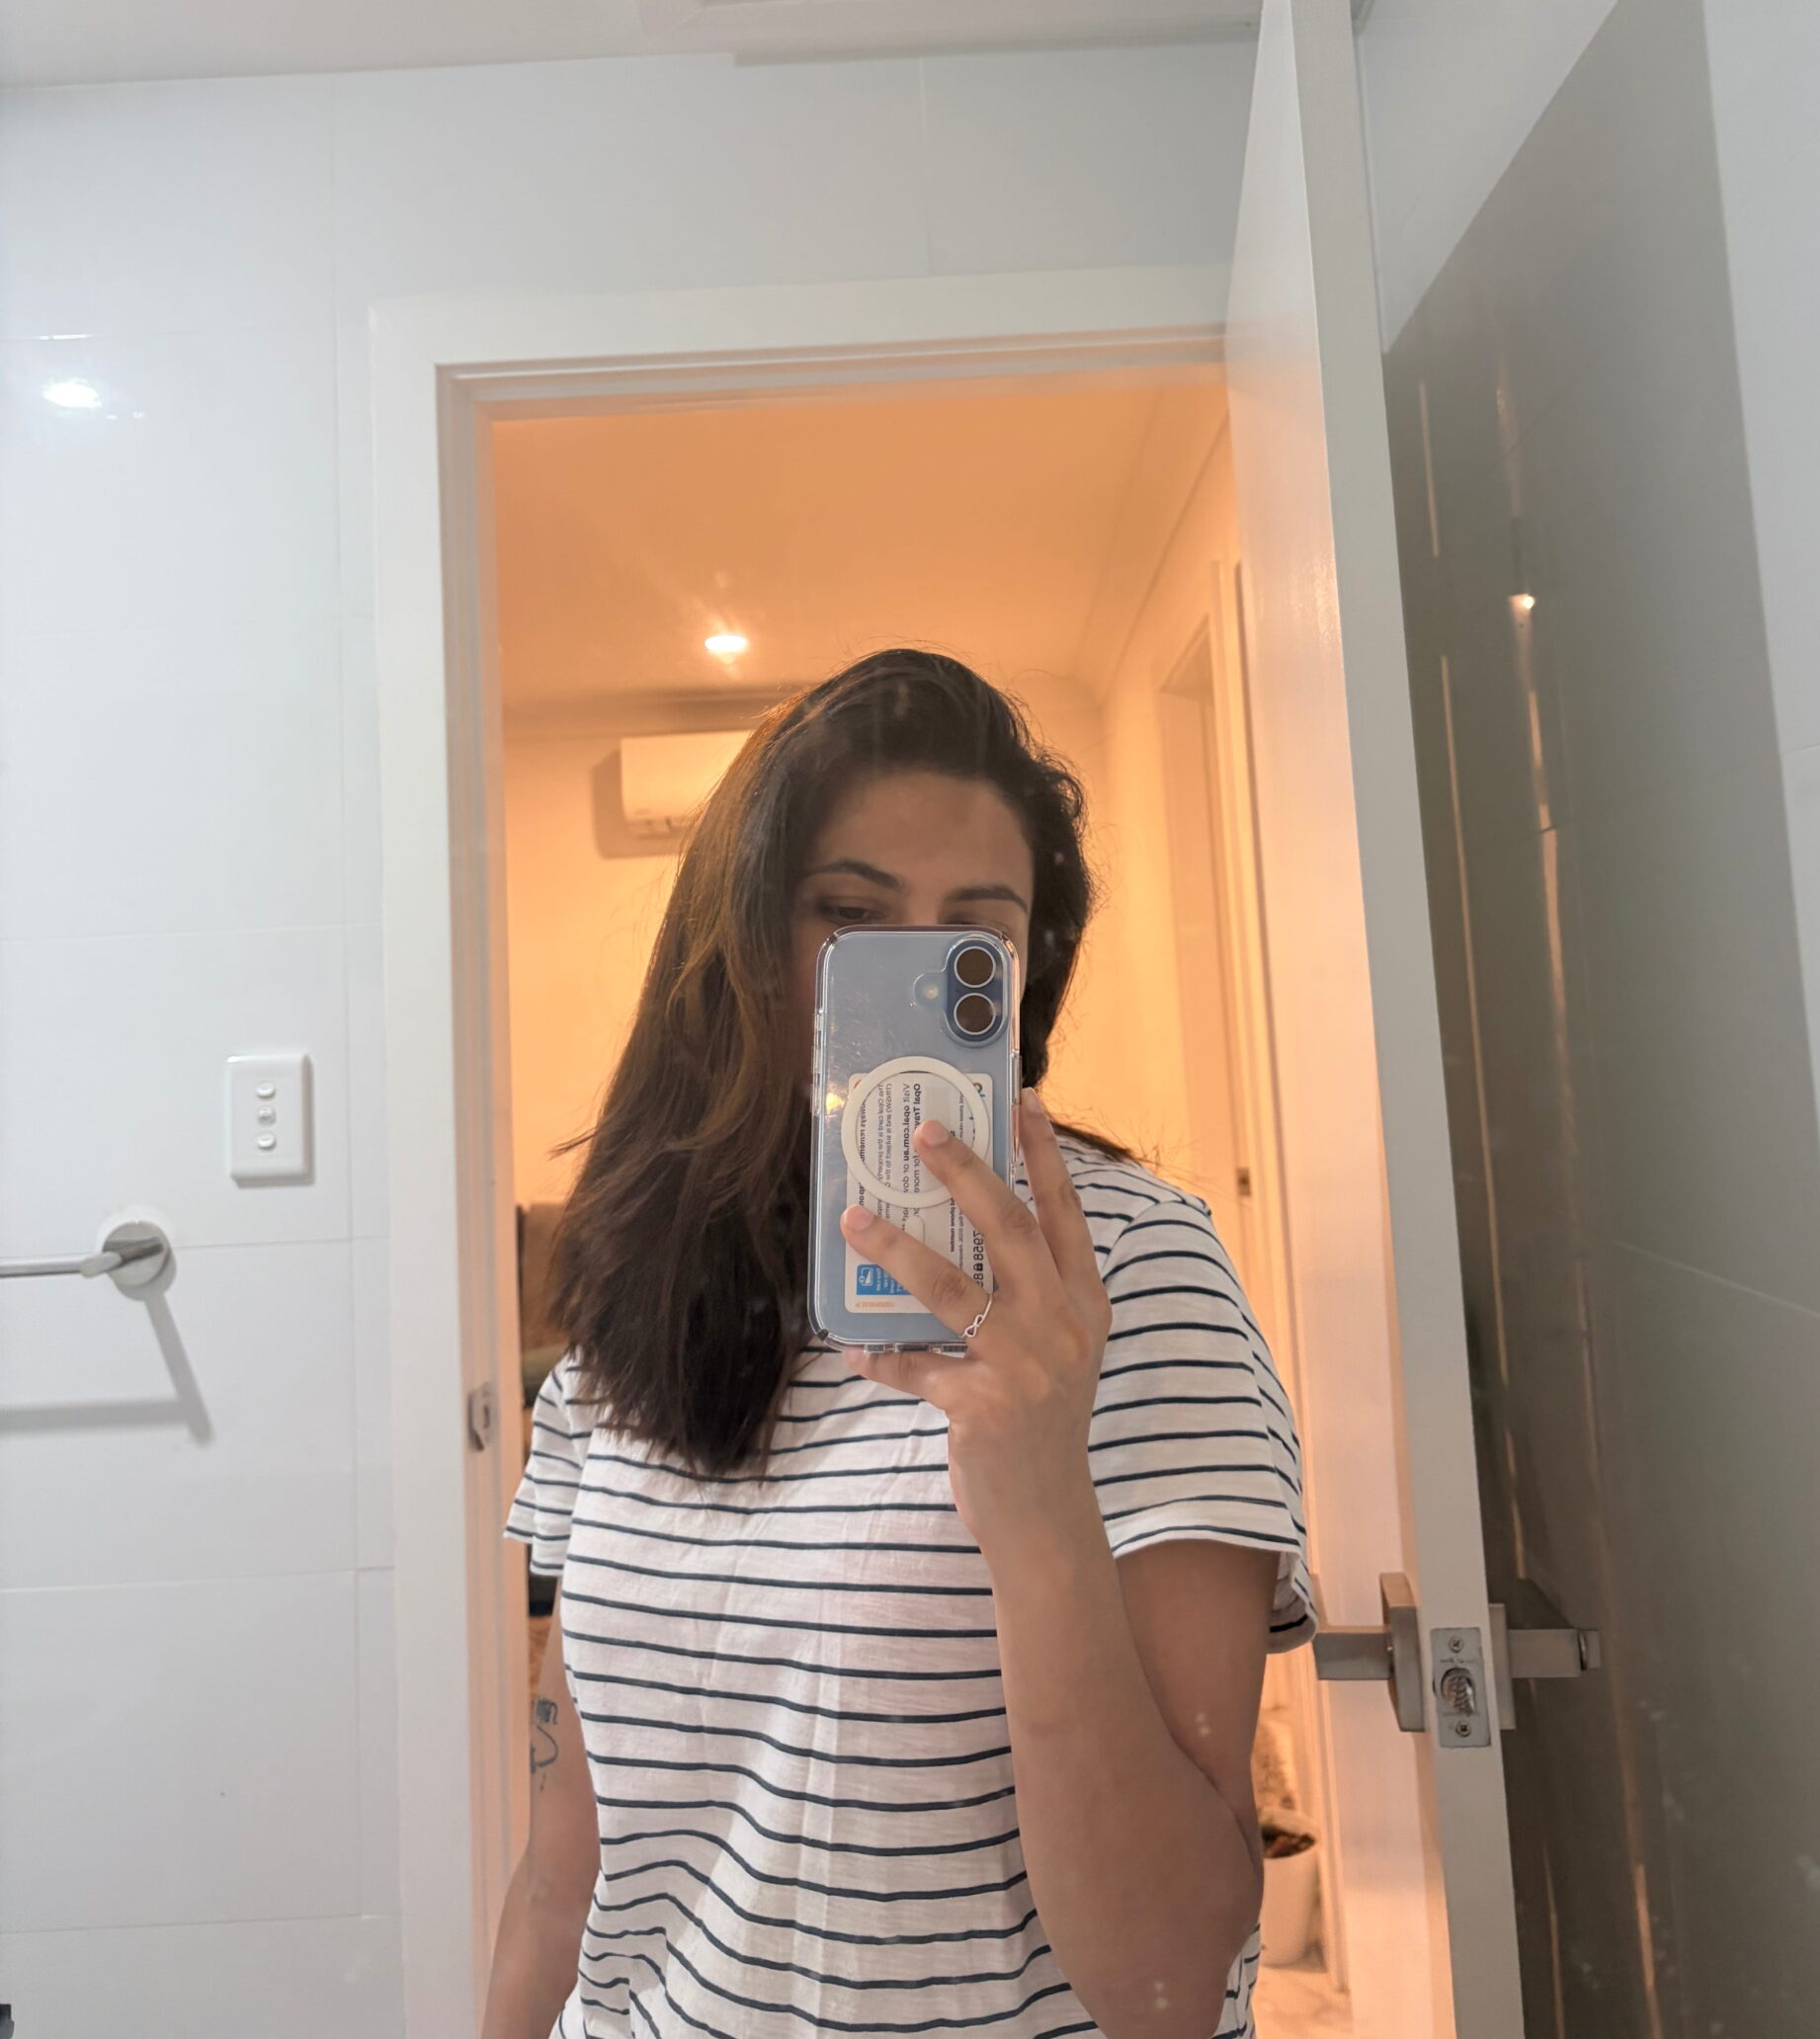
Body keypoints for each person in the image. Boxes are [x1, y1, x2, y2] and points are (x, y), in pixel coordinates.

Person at [482, 648, 1314, 2039]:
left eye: (972, 932)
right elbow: (566, 1877)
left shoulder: (1126, 1273)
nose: (912, 971)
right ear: (739, 946)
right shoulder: (633, 1307)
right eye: (850, 915)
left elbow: (1171, 1975)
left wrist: (1037, 1495)